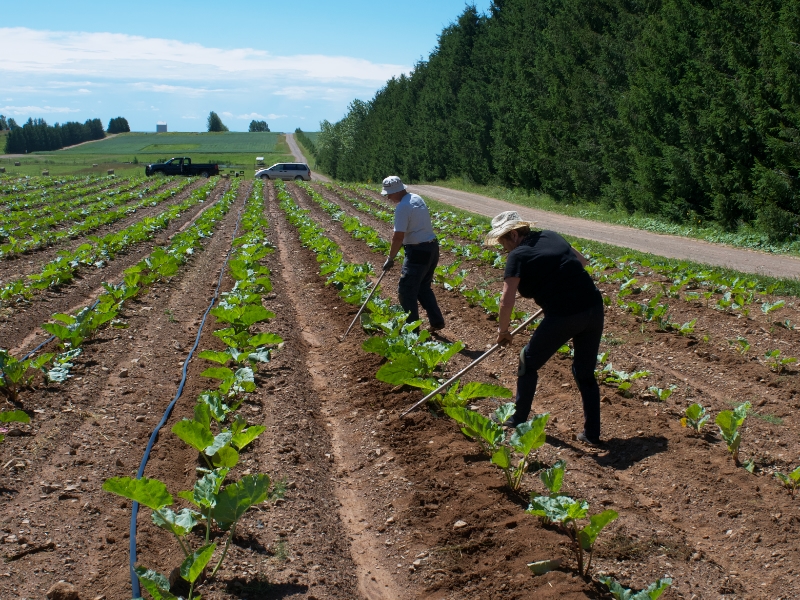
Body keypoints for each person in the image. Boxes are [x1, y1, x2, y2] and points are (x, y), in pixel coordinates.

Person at [486, 211, 605, 445]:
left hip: (565, 314)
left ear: (514, 234)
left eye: (502, 241)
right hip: (593, 307)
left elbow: (506, 300)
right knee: (584, 372)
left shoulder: (518, 255)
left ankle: (518, 419)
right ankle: (592, 434)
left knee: (527, 361)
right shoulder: (551, 236)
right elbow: (581, 262)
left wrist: (503, 332)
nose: (502, 247)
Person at [380, 175, 445, 331]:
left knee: (406, 291)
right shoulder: (416, 198)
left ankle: (412, 332)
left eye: (389, 193)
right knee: (423, 287)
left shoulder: (402, 207)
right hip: (432, 248)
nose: (388, 197)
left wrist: (390, 258)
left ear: (396, 191)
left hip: (418, 252)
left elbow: (398, 237)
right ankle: (437, 322)